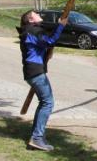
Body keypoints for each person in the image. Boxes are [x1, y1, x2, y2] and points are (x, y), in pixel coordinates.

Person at [18, 10, 67, 151]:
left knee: (44, 102)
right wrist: (61, 26)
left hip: (33, 71)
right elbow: (50, 40)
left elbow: (44, 43)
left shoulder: (31, 30)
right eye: (35, 14)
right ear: (31, 20)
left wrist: (47, 52)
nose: (39, 14)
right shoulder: (32, 31)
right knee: (48, 103)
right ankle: (37, 138)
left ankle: (37, 136)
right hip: (35, 72)